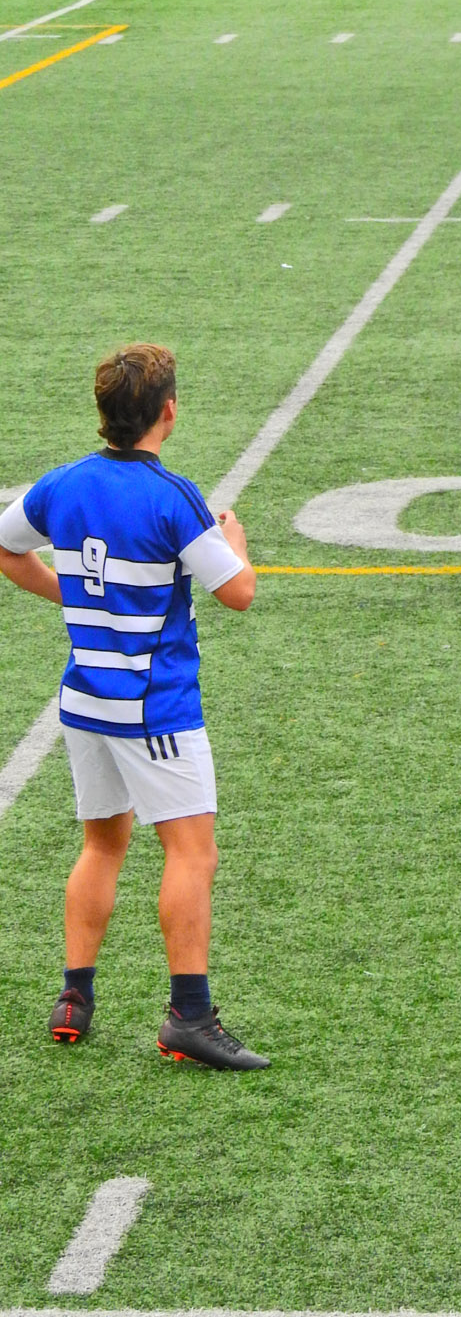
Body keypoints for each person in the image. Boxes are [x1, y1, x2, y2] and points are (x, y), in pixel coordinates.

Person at [0, 344, 267, 1068]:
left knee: (102, 844)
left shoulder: (62, 484)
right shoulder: (171, 495)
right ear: (168, 413)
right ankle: (189, 1014)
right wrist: (236, 542)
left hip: (84, 700)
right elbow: (238, 593)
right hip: (155, 711)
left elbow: (7, 548)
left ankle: (73, 997)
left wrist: (73, 594)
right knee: (190, 852)